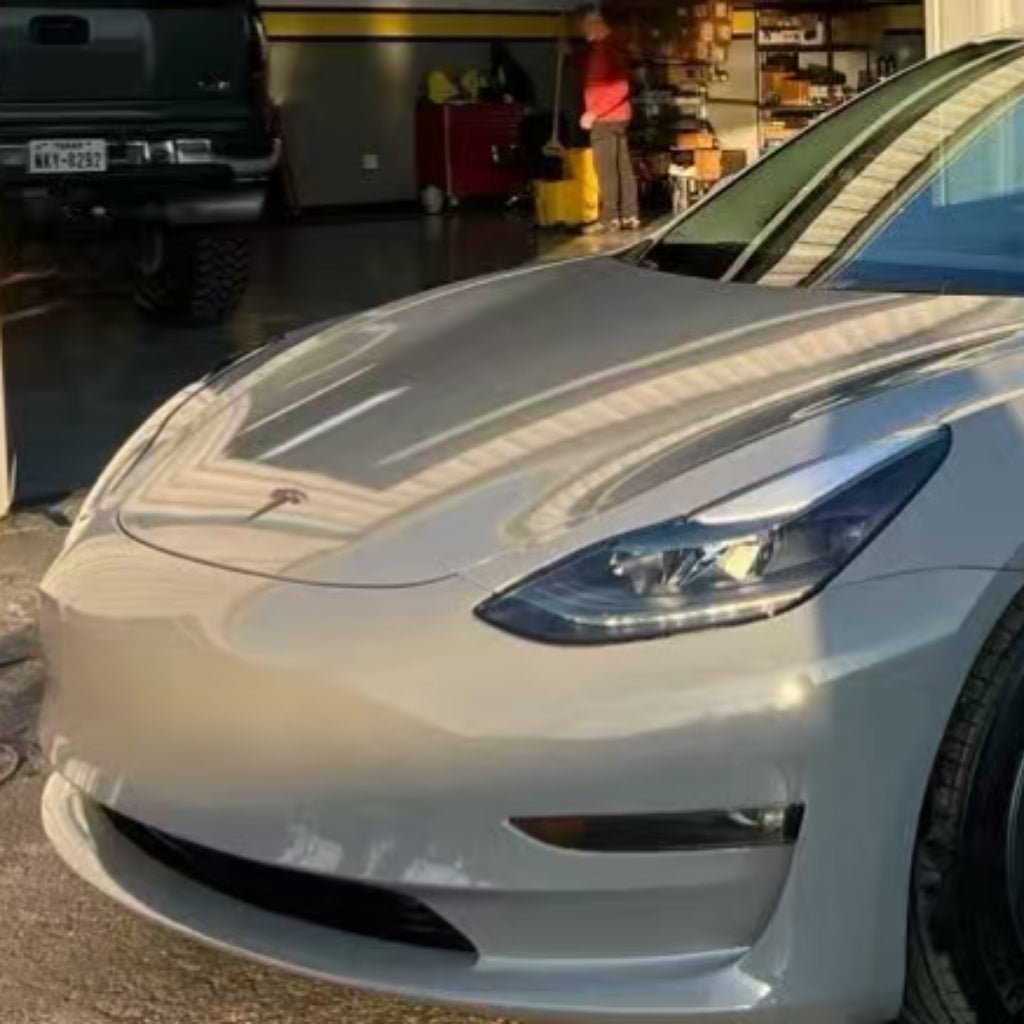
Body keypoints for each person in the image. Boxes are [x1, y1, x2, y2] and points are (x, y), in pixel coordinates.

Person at [577, 4, 640, 234]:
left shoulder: (605, 50)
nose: (583, 31)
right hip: (618, 117)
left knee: (606, 169)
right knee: (622, 167)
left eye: (584, 26)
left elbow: (620, 87)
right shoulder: (611, 47)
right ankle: (630, 215)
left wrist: (593, 112)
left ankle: (610, 218)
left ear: (595, 23)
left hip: (606, 119)